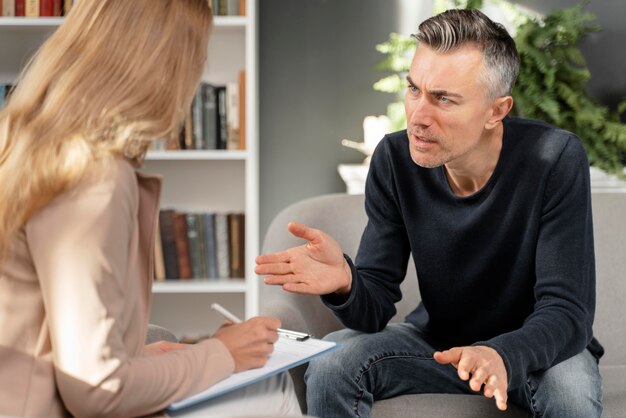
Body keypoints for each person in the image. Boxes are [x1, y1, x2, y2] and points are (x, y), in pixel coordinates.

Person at [255, 8, 604, 418]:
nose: (418, 116)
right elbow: (375, 307)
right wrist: (346, 283)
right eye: (414, 89)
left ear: (497, 110)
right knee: (332, 364)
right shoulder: (394, 159)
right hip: (438, 345)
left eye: (443, 99)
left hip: (535, 349)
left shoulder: (554, 158)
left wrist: (500, 355)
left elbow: (567, 312)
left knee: (571, 395)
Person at [0, 1, 300, 417]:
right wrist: (222, 354)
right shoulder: (93, 177)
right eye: (196, 54)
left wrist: (141, 358)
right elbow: (97, 389)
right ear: (163, 66)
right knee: (271, 385)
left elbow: (43, 332)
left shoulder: (22, 141)